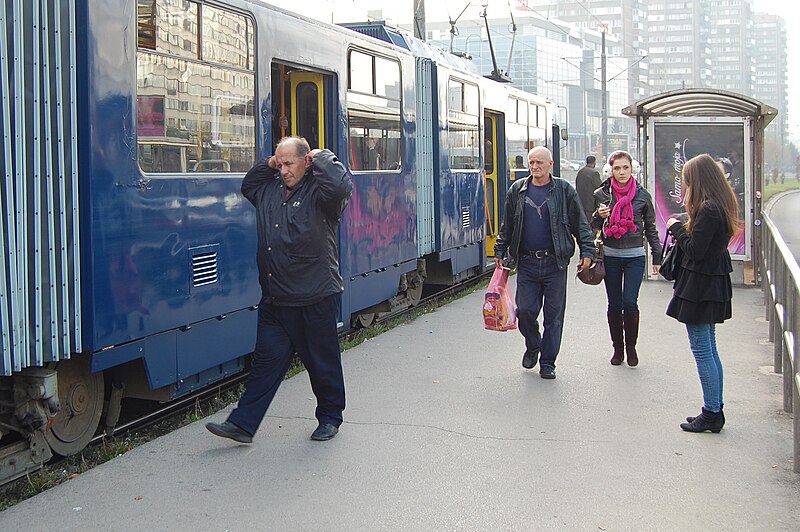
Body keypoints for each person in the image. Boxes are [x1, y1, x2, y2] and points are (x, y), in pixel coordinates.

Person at [206, 137, 353, 443]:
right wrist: (269, 163)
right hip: (276, 297)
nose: (284, 170)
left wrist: (321, 155)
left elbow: (341, 185)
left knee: (321, 362)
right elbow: (248, 184)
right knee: (265, 364)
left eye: (289, 163)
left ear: (306, 163)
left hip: (315, 295)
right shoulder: (268, 189)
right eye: (280, 163)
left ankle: (330, 417)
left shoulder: (323, 194)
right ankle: (243, 424)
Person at [494, 146, 594, 379]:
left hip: (554, 262)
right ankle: (533, 345)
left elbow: (580, 224)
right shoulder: (517, 190)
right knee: (526, 311)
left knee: (554, 316)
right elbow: (507, 225)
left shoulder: (564, 190)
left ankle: (548, 362)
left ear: (550, 164)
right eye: (531, 162)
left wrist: (587, 251)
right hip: (527, 261)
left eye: (539, 162)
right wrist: (500, 249)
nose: (535, 167)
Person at [664, 153, 737, 433]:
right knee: (710, 349)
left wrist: (675, 229)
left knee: (703, 350)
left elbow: (695, 250)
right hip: (710, 283)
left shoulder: (708, 209)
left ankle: (712, 412)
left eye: (687, 181)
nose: (685, 186)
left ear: (698, 180)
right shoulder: (720, 204)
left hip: (700, 286)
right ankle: (713, 408)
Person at [593, 151, 661, 367]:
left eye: (625, 168)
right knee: (614, 303)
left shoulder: (643, 196)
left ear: (633, 170)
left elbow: (650, 228)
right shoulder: (601, 194)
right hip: (610, 256)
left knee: (630, 302)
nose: (621, 172)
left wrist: (657, 257)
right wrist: (598, 216)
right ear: (609, 171)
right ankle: (618, 349)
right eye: (617, 168)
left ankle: (631, 347)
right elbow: (591, 226)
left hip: (635, 256)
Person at [575, 155, 602, 223]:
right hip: (590, 204)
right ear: (594, 162)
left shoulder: (580, 172)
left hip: (580, 203)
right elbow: (600, 188)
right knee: (590, 225)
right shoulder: (594, 173)